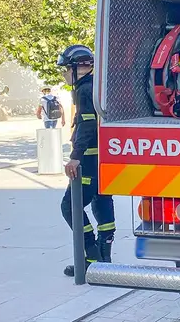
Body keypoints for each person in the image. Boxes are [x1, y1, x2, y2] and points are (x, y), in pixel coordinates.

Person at [57, 45, 116, 277]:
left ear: (79, 67)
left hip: (89, 158)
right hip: (103, 158)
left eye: (66, 69)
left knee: (69, 206)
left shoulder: (84, 90)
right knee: (102, 202)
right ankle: (105, 258)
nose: (64, 74)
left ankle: (91, 257)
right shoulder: (98, 86)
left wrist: (75, 158)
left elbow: (87, 124)